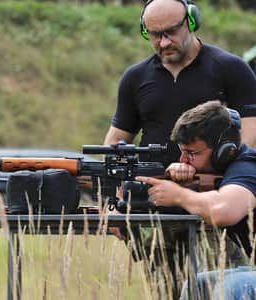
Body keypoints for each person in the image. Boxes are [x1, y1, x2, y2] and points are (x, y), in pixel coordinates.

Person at [104, 0, 256, 167]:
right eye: (155, 35)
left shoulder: (231, 68)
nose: (164, 42)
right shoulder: (134, 77)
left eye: (172, 31)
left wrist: (222, 171)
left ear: (191, 22)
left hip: (215, 186)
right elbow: (117, 138)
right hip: (150, 186)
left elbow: (251, 133)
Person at [136, 100, 256, 299]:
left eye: (191, 153)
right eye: (182, 152)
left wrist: (178, 194)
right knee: (196, 286)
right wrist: (177, 179)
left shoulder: (249, 167)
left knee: (232, 287)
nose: (183, 160)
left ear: (224, 150)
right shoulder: (219, 174)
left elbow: (223, 211)